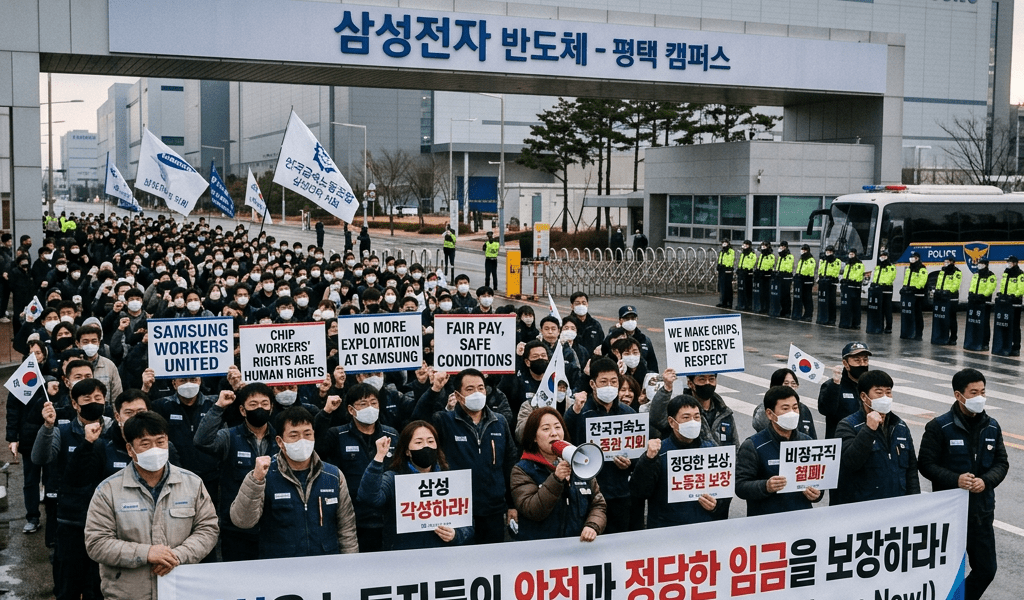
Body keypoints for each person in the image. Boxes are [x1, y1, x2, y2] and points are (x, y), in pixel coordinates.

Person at [84, 412, 218, 600]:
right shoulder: (108, 490)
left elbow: (208, 529)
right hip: (128, 594)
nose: (155, 449)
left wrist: (178, 555)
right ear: (130, 449)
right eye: (145, 444)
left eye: (160, 442)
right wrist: (146, 553)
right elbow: (97, 543)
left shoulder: (192, 484)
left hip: (179, 590)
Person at [918, 369, 1008, 600]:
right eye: (974, 392)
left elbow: (1001, 463)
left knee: (986, 570)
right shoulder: (939, 427)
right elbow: (926, 464)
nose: (980, 397)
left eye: (983, 392)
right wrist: (955, 479)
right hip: (949, 514)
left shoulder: (992, 426)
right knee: (946, 572)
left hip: (981, 513)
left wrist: (986, 481)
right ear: (959, 395)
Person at [230, 406, 358, 558]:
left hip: (325, 562)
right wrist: (255, 481)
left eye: (307, 434)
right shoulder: (264, 475)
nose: (302, 440)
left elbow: (347, 529)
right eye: (294, 435)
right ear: (280, 441)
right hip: (281, 564)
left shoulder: (333, 475)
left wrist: (350, 562)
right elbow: (242, 521)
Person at [412, 368, 518, 544]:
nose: (477, 393)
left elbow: (509, 463)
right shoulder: (444, 421)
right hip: (458, 510)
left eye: (481, 388)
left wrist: (512, 504)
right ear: (458, 395)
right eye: (470, 389)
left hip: (493, 509)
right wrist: (435, 389)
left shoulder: (499, 422)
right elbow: (417, 421)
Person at [193, 384, 279, 561]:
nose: (260, 408)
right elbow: (202, 441)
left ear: (271, 408)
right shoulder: (229, 437)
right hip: (236, 529)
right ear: (242, 410)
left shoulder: (280, 439)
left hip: (274, 527)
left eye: (264, 404)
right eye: (253, 404)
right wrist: (218, 407)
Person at [357, 420, 474, 550]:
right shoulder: (393, 479)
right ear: (407, 451)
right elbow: (368, 497)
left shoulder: (450, 479)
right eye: (419, 442)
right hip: (404, 554)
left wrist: (456, 534)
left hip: (441, 554)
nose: (426, 446)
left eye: (431, 441)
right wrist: (379, 458)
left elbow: (468, 523)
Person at [313, 384, 399, 552]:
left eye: (374, 403)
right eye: (363, 404)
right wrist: (326, 413)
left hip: (386, 516)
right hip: (353, 518)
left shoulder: (392, 435)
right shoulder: (338, 435)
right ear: (351, 410)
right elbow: (317, 448)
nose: (370, 408)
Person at [564, 358, 636, 534]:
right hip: (588, 492)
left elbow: (638, 454)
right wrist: (573, 412)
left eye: (614, 381)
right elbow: (565, 439)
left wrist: (629, 464)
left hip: (619, 492)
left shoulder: (629, 414)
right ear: (592, 384)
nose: (609, 386)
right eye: (603, 382)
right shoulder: (580, 412)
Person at [511, 407, 606, 540]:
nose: (554, 433)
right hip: (541, 547)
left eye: (557, 427)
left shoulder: (579, 462)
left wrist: (593, 525)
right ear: (534, 437)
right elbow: (531, 510)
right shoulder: (523, 470)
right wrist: (555, 480)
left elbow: (598, 504)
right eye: (546, 429)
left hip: (577, 545)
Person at [631, 395, 722, 528]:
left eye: (697, 417)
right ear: (672, 422)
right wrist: (648, 459)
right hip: (665, 527)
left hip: (701, 525)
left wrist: (715, 505)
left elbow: (722, 491)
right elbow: (640, 491)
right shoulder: (659, 451)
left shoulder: (711, 450)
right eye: (686, 418)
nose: (693, 422)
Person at [832, 370, 920, 505]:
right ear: (864, 396)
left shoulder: (899, 426)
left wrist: (914, 501)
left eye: (888, 392)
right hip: (865, 505)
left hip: (897, 504)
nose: (885, 397)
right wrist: (868, 430)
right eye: (879, 393)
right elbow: (850, 462)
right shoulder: (848, 425)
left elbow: (911, 470)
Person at [736, 386, 822, 516]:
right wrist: (766, 486)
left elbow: (819, 481)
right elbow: (740, 486)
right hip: (766, 520)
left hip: (801, 517)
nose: (792, 413)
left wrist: (816, 494)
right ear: (770, 414)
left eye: (795, 408)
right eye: (785, 409)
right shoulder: (753, 445)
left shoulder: (807, 442)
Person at [817, 341, 870, 439]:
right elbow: (825, 410)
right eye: (857, 360)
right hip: (840, 441)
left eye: (865, 360)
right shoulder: (832, 385)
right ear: (846, 363)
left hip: (865, 440)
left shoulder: (870, 385)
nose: (862, 364)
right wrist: (835, 385)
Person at [750, 368, 817, 438]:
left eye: (793, 384)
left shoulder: (803, 409)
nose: (790, 387)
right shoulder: (762, 411)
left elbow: (812, 435)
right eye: (786, 384)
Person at [964, 257, 996, 351]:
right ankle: (974, 341)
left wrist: (982, 296)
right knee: (974, 322)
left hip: (984, 302)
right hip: (975, 302)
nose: (979, 265)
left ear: (986, 265)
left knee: (984, 323)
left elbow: (990, 288)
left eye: (981, 264)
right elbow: (972, 286)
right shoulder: (976, 275)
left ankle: (985, 343)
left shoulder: (991, 276)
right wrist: (971, 294)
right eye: (979, 263)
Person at [996, 255, 1023, 355]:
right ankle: (1006, 345)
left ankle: (1016, 347)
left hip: (1015, 303)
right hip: (1006, 303)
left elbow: (1021, 288)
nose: (1008, 264)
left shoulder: (1020, 274)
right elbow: (1003, 285)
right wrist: (1001, 294)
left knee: (1015, 325)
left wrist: (1014, 296)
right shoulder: (1006, 273)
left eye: (1010, 262)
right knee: (1005, 324)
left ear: (1015, 263)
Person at [933, 256, 962, 345]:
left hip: (951, 298)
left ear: (952, 262)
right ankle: (942, 336)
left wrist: (948, 292)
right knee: (942, 317)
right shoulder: (942, 271)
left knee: (952, 318)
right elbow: (939, 283)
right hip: (942, 298)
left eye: (947, 262)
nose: (945, 263)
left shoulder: (957, 272)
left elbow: (955, 285)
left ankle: (953, 338)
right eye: (945, 261)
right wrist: (938, 291)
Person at [901, 251, 928, 340]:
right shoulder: (909, 268)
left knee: (918, 314)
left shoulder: (922, 269)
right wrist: (904, 287)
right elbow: (906, 280)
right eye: (912, 257)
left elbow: (922, 281)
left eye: (915, 258)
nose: (912, 259)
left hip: (918, 294)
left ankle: (919, 334)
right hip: (909, 295)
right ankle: (909, 332)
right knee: (909, 314)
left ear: (918, 259)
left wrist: (915, 288)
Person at [868, 248, 896, 334]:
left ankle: (888, 327)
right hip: (878, 291)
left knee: (887, 309)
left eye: (884, 256)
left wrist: (882, 284)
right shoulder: (878, 267)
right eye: (881, 256)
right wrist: (874, 284)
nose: (882, 257)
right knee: (879, 309)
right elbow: (875, 277)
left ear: (887, 257)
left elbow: (890, 277)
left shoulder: (891, 267)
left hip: (886, 290)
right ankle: (880, 326)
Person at [839, 249, 863, 329]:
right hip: (847, 287)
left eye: (852, 254)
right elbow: (845, 273)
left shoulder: (859, 264)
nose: (850, 255)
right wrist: (844, 280)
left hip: (855, 287)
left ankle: (855, 323)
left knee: (855, 306)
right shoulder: (848, 264)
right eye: (850, 254)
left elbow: (858, 274)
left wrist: (851, 280)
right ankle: (846, 322)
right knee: (846, 306)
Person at [817, 245, 841, 326]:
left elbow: (836, 270)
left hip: (831, 282)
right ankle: (822, 317)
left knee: (831, 302)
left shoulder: (836, 261)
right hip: (823, 282)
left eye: (830, 252)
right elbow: (820, 269)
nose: (828, 253)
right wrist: (820, 277)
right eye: (827, 252)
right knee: (822, 300)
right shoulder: (823, 260)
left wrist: (831, 277)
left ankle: (831, 319)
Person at [791, 243, 816, 322]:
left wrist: (802, 275)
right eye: (802, 250)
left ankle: (808, 315)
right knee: (801, 298)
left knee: (807, 298)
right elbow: (799, 268)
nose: (803, 251)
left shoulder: (810, 260)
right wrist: (797, 275)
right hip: (801, 280)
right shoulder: (801, 259)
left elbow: (809, 269)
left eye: (805, 250)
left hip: (807, 280)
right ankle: (801, 314)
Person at [772, 240, 793, 318]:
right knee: (780, 294)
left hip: (786, 276)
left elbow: (788, 266)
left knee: (786, 294)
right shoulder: (780, 256)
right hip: (780, 276)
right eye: (781, 246)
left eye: (783, 247)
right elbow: (778, 265)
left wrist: (782, 272)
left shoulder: (789, 256)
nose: (782, 248)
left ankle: (787, 311)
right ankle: (782, 309)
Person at [753, 241, 774, 314]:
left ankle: (767, 308)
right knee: (761, 293)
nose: (763, 248)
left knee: (767, 293)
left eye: (765, 246)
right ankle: (762, 307)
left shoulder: (771, 256)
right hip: (761, 276)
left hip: (767, 276)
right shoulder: (761, 255)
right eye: (762, 246)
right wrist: (758, 270)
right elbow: (759, 264)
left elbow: (770, 265)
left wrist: (765, 271)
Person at [735, 240, 756, 311]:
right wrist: (739, 268)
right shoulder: (742, 254)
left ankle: (748, 305)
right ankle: (741, 304)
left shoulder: (752, 254)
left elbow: (752, 263)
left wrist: (747, 269)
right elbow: (740, 262)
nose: (744, 246)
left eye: (746, 245)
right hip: (742, 272)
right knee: (741, 289)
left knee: (747, 290)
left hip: (747, 273)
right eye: (744, 245)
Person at [716, 239, 735, 309]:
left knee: (728, 287)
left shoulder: (730, 251)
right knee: (722, 286)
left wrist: (727, 266)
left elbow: (730, 260)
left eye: (725, 243)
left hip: (727, 270)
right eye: (723, 243)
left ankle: (729, 302)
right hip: (722, 270)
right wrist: (719, 265)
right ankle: (723, 301)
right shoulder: (722, 251)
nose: (724, 244)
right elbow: (720, 259)